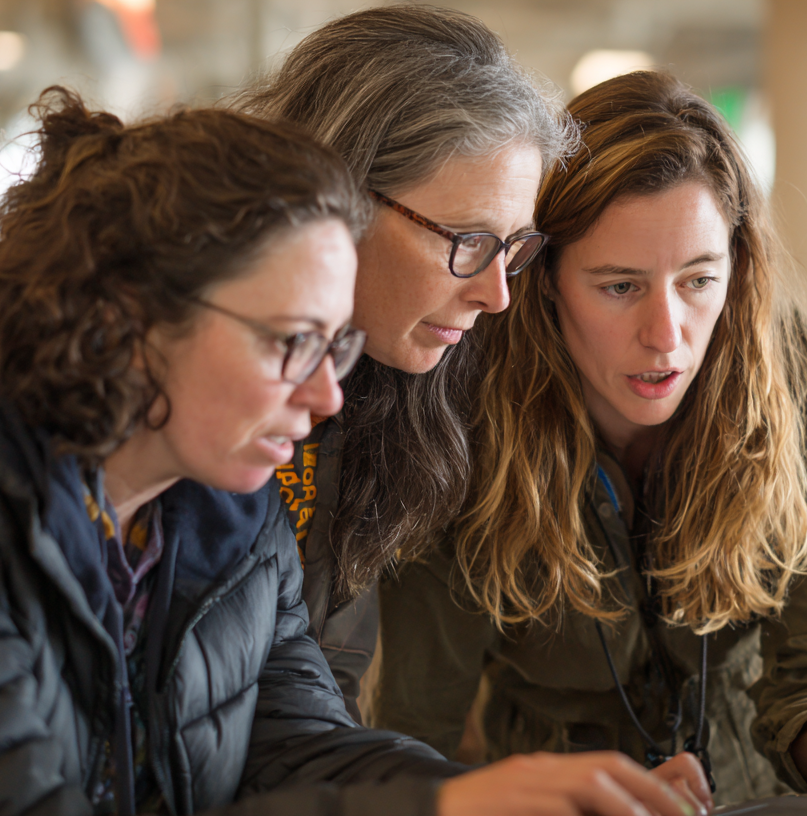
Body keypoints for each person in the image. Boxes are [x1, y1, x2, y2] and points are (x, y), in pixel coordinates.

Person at [0, 88, 707, 816]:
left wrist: (482, 796)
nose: (325, 396)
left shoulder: (228, 506)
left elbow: (298, 746)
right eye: (290, 343)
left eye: (335, 347)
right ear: (132, 319)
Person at [372, 71, 807, 807]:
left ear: (738, 268)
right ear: (545, 279)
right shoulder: (462, 411)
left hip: (751, 794)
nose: (665, 336)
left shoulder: (804, 381)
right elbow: (412, 719)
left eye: (698, 281)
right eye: (619, 286)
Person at [229, 5, 572, 722]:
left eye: (514, 247)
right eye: (469, 241)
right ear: (338, 195)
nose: (497, 295)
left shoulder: (384, 392)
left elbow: (317, 700)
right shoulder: (192, 394)